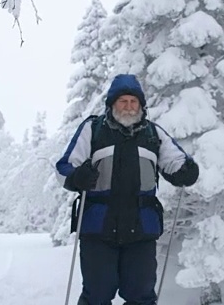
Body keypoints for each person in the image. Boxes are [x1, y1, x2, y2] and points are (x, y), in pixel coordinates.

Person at [56, 74, 199, 305]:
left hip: (140, 230)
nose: (129, 107)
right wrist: (77, 176)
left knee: (141, 295)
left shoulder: (153, 134)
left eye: (134, 102)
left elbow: (176, 161)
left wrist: (186, 171)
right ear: (112, 104)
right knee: (97, 295)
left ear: (141, 106)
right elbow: (64, 168)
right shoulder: (93, 129)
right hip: (99, 229)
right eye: (123, 101)